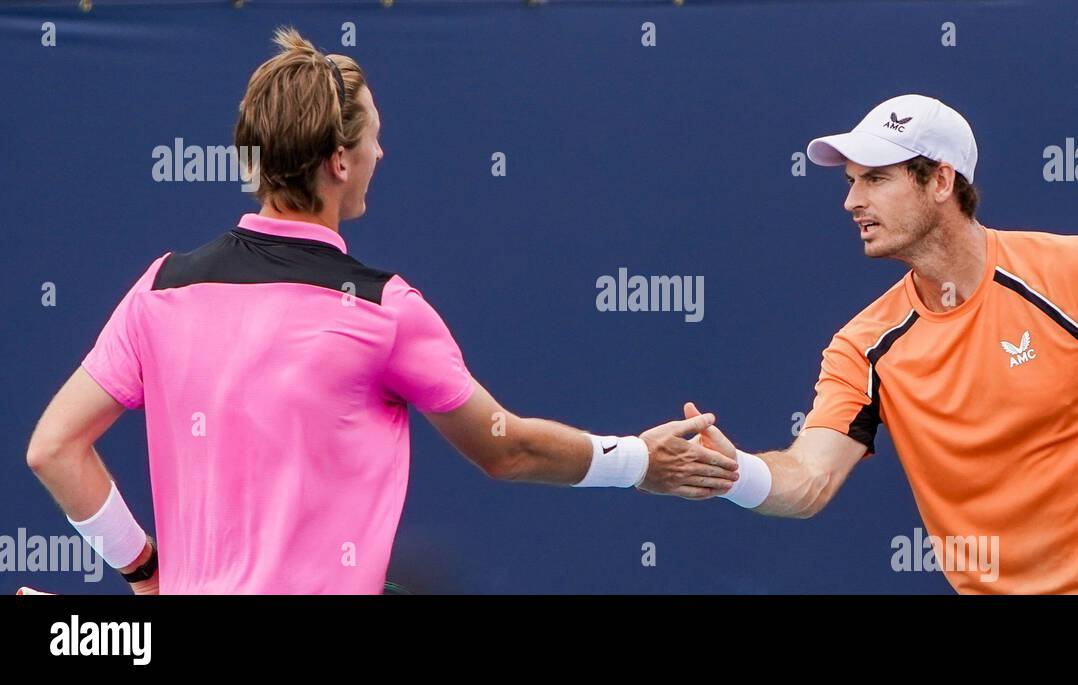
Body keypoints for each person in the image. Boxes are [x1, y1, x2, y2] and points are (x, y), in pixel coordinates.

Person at [25, 28, 739, 595]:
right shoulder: (382, 309)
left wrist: (148, 572)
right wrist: (639, 460)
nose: (381, 151)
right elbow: (506, 446)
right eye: (371, 138)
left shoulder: (161, 288)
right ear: (339, 160)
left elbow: (54, 450)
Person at [687, 93, 1078, 594]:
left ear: (941, 182)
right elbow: (809, 480)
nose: (851, 201)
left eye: (875, 179)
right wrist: (735, 472)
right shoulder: (863, 347)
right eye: (850, 181)